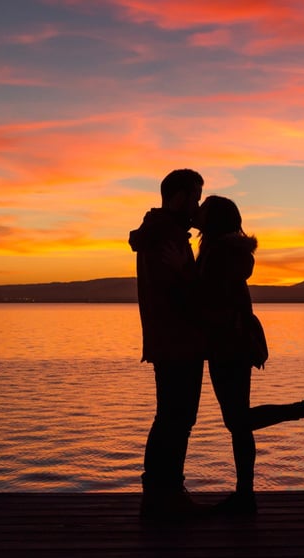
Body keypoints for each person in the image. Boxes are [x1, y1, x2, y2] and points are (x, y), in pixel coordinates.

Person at [195, 195, 304, 516]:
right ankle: (245, 496)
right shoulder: (226, 252)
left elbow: (210, 299)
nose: (198, 213)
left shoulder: (220, 254)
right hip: (231, 342)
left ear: (214, 220)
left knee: (237, 420)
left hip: (227, 343)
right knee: (239, 422)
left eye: (203, 210)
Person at [129, 169, 207, 520]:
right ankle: (167, 493)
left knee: (171, 417)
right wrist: (193, 277)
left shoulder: (161, 232)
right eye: (194, 196)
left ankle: (160, 492)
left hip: (168, 339)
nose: (197, 204)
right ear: (176, 197)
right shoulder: (167, 236)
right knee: (178, 418)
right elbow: (175, 292)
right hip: (178, 340)